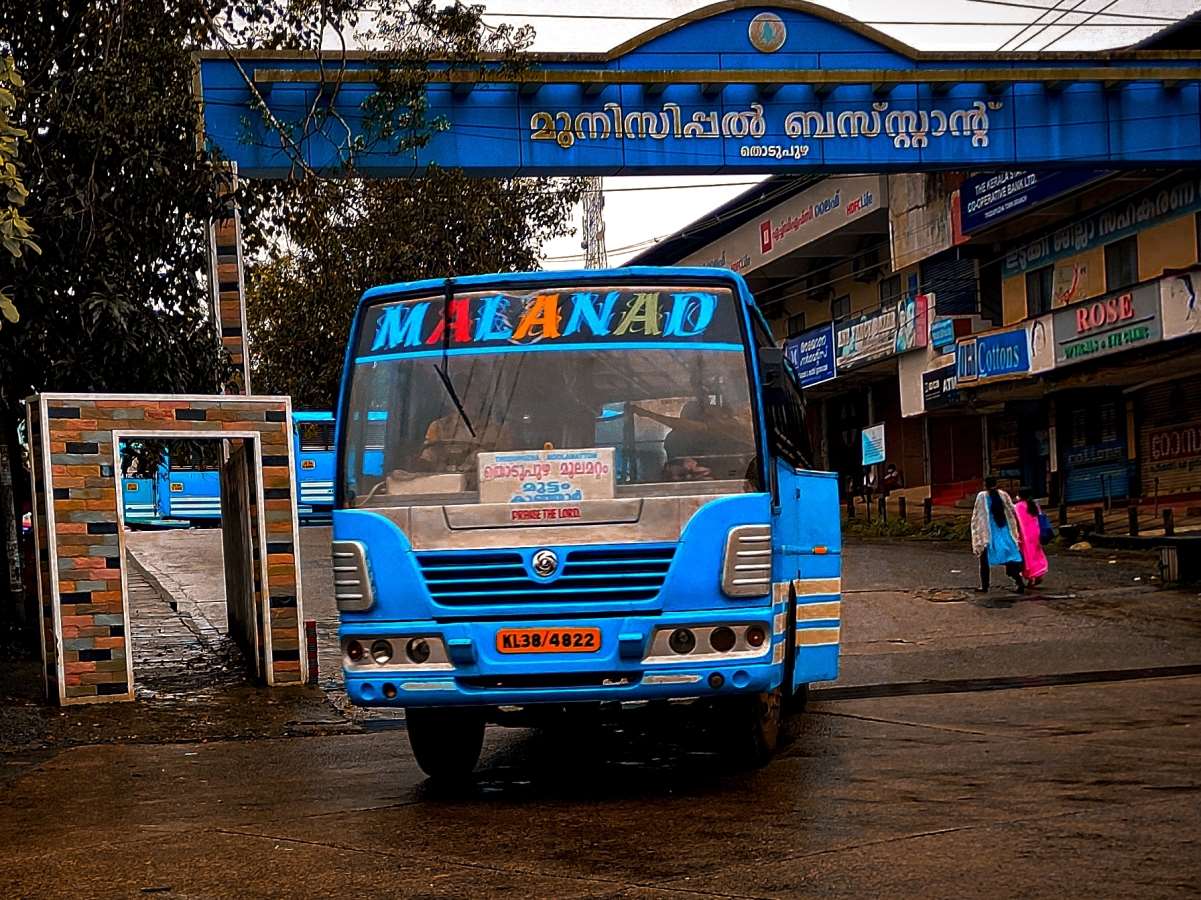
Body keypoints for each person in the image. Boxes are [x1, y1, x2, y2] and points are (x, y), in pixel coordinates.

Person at [971, 476, 1025, 593]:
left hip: (989, 534)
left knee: (984, 561)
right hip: (1005, 532)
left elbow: (978, 517)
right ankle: (1019, 582)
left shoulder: (982, 496)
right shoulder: (1003, 495)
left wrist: (977, 535)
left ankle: (984, 586)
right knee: (1010, 560)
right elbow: (1012, 511)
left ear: (985, 484)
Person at [1014, 486, 1049, 587]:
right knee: (1036, 554)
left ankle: (1031, 577)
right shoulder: (1035, 505)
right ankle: (1038, 574)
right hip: (1036, 533)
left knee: (1027, 557)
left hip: (1025, 536)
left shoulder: (1018, 507)